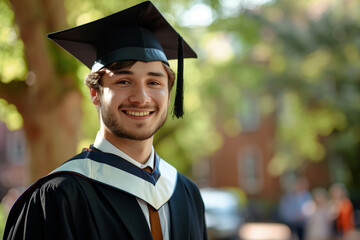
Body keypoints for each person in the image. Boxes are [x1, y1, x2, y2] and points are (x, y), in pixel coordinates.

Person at [3, 1, 208, 240]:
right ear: (95, 93)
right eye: (123, 81)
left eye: (154, 83)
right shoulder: (57, 197)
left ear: (169, 93)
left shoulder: (186, 193)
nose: (141, 97)